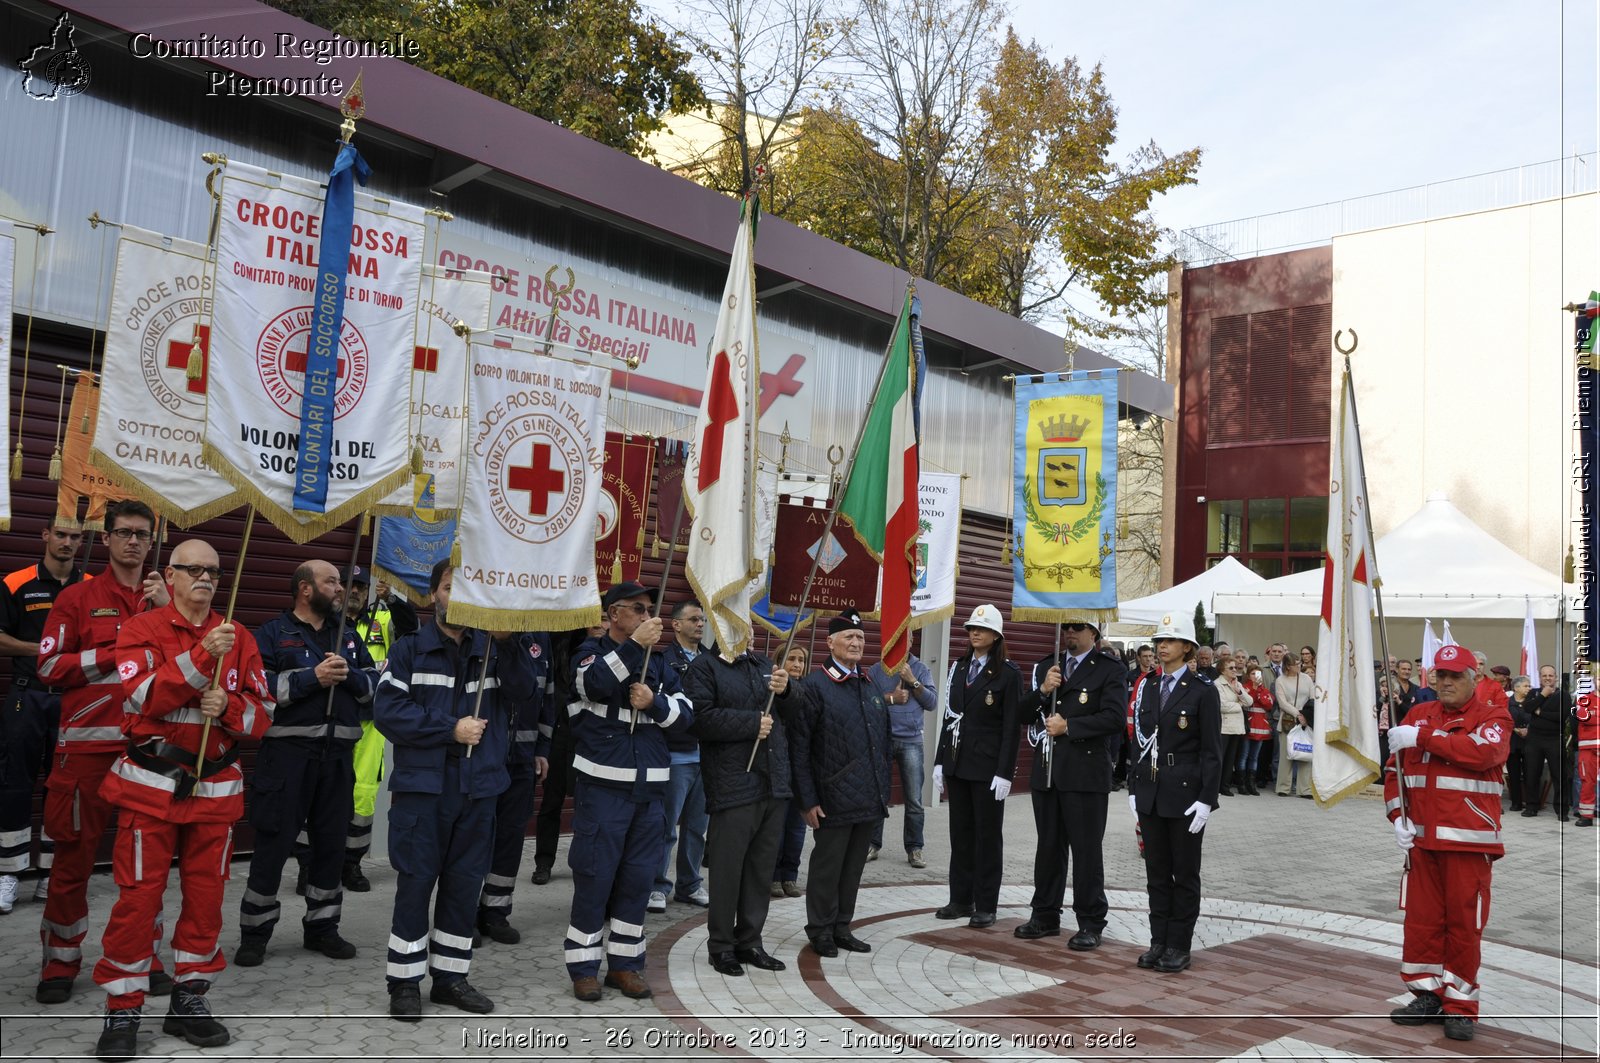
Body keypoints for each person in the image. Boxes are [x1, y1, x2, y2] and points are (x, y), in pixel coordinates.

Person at [91, 538, 274, 1059]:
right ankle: (123, 1008)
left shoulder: (240, 635)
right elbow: (143, 697)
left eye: (213, 571)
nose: (205, 578)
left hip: (216, 790)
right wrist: (200, 658)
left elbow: (265, 713)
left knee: (206, 900)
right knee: (137, 899)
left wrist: (231, 706)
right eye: (192, 569)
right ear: (168, 576)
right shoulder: (142, 629)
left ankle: (189, 998)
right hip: (152, 788)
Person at [373, 560, 533, 1021]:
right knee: (416, 886)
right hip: (424, 792)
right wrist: (450, 728)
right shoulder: (408, 650)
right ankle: (404, 983)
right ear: (432, 595)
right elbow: (389, 712)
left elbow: (525, 693)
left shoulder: (496, 649)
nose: (456, 595)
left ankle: (450, 978)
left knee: (464, 888)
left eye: (466, 587)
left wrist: (508, 641)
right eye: (449, 586)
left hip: (479, 789)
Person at [34, 501, 172, 1005]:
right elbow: (49, 668)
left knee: (145, 864)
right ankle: (60, 961)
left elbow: (193, 662)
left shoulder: (168, 600)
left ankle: (144, 956)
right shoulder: (77, 597)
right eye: (123, 533)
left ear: (152, 541)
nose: (133, 542)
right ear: (107, 537)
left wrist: (163, 615)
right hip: (86, 755)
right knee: (72, 860)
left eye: (142, 534)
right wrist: (120, 652)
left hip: (150, 752)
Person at [235, 560, 377, 969]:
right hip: (287, 759)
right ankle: (256, 934)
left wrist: (348, 676)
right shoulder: (271, 635)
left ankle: (323, 928)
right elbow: (259, 690)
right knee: (273, 845)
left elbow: (375, 690)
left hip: (337, 760)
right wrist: (312, 677)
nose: (340, 589)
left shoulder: (347, 637)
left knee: (331, 846)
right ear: (304, 589)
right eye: (331, 581)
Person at [563, 581, 694, 1002]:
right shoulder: (590, 653)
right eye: (638, 609)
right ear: (614, 613)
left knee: (638, 881)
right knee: (595, 878)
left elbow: (686, 716)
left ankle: (625, 965)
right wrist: (634, 647)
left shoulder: (660, 666)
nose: (646, 616)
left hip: (650, 790)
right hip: (603, 788)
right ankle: (584, 967)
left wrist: (655, 703)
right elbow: (593, 685)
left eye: (648, 609)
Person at [1385, 644, 1513, 1043]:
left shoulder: (1493, 715)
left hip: (1469, 844)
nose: (1446, 683)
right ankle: (1427, 994)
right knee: (1422, 923)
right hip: (1421, 842)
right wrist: (1396, 817)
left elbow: (1483, 752)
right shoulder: (1417, 714)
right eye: (1440, 675)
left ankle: (1460, 1004)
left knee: (1463, 927)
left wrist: (1422, 737)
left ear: (1473, 678)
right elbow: (1394, 771)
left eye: (1455, 676)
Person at [682, 637, 792, 976]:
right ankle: (721, 947)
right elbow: (699, 719)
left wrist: (788, 691)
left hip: (772, 782)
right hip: (733, 783)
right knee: (728, 872)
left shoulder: (762, 664)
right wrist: (749, 723)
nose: (745, 628)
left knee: (760, 871)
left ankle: (751, 942)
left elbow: (793, 714)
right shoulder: (705, 666)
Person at [1015, 614, 1126, 949]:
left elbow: (1115, 718)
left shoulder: (1110, 669)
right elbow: (1020, 714)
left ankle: (1091, 921)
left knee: (1086, 850)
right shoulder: (1049, 666)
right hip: (1048, 770)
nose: (1068, 633)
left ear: (1093, 632)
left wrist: (1071, 728)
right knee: (1048, 846)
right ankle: (1045, 914)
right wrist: (1042, 690)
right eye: (1064, 628)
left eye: (1075, 627)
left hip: (1085, 773)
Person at [790, 612, 890, 956]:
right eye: (848, 637)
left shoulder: (868, 683)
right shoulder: (815, 687)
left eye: (860, 638)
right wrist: (807, 799)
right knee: (827, 868)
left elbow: (881, 741)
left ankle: (841, 926)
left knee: (851, 870)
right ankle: (819, 929)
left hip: (866, 797)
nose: (856, 643)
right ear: (830, 642)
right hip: (831, 797)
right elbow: (800, 747)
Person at [0, 521, 88, 908]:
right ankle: (8, 873)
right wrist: (44, 650)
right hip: (28, 697)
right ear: (45, 535)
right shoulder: (17, 582)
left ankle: (52, 874)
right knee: (14, 783)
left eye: (75, 537)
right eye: (61, 535)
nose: (68, 543)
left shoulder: (92, 586)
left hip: (74, 700)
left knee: (64, 788)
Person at [1129, 612, 1221, 974]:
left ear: (1187, 648)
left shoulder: (1202, 692)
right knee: (1156, 872)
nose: (1161, 646)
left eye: (1168, 641)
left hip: (1185, 794)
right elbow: (1138, 741)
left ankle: (1179, 944)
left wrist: (1206, 799)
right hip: (1151, 788)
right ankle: (1158, 941)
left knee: (1183, 874)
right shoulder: (1149, 686)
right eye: (1158, 641)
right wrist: (1135, 788)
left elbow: (1212, 752)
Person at [932, 604, 1021, 929]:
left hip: (987, 768)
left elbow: (1011, 728)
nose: (974, 632)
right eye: (971, 628)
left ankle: (985, 903)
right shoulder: (958, 667)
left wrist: (1004, 772)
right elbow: (949, 716)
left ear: (996, 636)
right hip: (958, 763)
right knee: (961, 834)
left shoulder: (1008, 674)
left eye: (981, 629)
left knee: (987, 837)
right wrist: (940, 761)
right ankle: (960, 898)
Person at [341, 568, 416, 892]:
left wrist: (393, 599)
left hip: (370, 722)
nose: (355, 591)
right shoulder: (329, 623)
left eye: (360, 586)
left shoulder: (381, 617)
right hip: (336, 717)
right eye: (349, 586)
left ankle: (351, 864)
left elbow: (410, 628)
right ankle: (309, 864)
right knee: (322, 792)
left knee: (364, 794)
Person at [475, 632, 551, 944]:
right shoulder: (478, 631)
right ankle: (461, 911)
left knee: (510, 838)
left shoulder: (539, 638)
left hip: (522, 760)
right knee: (474, 837)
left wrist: (543, 747)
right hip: (482, 757)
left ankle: (495, 912)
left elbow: (548, 696)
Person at [529, 624, 602, 885]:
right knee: (551, 801)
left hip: (588, 735)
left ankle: (584, 860)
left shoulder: (603, 651)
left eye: (604, 617)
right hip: (560, 732)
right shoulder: (560, 644)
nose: (600, 624)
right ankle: (543, 863)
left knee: (587, 802)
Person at [653, 599, 710, 911]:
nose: (700, 624)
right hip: (677, 755)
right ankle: (657, 885)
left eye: (702, 620)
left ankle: (689, 885)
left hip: (707, 755)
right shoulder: (664, 660)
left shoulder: (712, 660)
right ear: (675, 625)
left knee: (696, 828)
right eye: (693, 619)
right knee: (666, 826)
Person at [866, 648, 935, 867]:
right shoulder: (877, 670)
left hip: (911, 741)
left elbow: (932, 703)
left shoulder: (921, 669)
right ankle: (872, 844)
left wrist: (913, 682)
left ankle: (915, 848)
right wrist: (891, 699)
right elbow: (865, 702)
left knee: (914, 799)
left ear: (911, 641)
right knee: (878, 795)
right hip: (882, 739)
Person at [771, 643, 811, 898]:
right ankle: (773, 876)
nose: (797, 664)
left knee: (796, 828)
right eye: (791, 659)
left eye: (801, 660)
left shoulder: (809, 691)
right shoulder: (773, 692)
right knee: (777, 827)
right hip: (779, 768)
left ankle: (790, 876)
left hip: (801, 771)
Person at [1521, 665, 1570, 820]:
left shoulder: (1563, 695)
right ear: (1540, 677)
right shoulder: (1533, 693)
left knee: (1559, 775)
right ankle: (1531, 806)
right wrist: (1542, 695)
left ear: (1556, 677)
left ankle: (1562, 811)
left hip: (1554, 739)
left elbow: (1561, 716)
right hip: (1534, 739)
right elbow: (1527, 708)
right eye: (1544, 675)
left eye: (1550, 675)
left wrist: (1540, 712)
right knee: (1532, 773)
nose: (1547, 678)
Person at [1273, 654, 1314, 798]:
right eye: (1296, 664)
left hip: (1306, 720)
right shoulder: (1280, 680)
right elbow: (1282, 702)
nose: (1299, 666)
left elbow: (1312, 697)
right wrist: (1298, 714)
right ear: (1288, 666)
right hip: (1288, 720)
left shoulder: (1306, 678)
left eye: (1300, 663)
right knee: (1286, 755)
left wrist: (1306, 715)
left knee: (1306, 752)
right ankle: (1283, 787)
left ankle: (1305, 789)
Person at [1215, 657, 1247, 798]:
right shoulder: (1217, 684)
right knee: (1220, 758)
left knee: (1231, 759)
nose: (1235, 670)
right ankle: (1214, 785)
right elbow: (1222, 706)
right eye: (1231, 668)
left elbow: (1249, 701)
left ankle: (1225, 786)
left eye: (1235, 667)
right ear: (1223, 670)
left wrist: (1239, 692)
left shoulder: (1237, 684)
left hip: (1236, 727)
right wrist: (1239, 705)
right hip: (1224, 726)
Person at [1505, 674, 1533, 811]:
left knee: (1530, 773)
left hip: (1529, 743)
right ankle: (1516, 802)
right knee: (1514, 774)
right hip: (1512, 743)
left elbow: (1537, 718)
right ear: (1516, 688)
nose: (1529, 688)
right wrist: (1515, 729)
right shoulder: (1506, 703)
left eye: (1529, 685)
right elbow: (1503, 720)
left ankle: (1531, 803)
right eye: (1526, 685)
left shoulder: (1532, 701)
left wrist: (1528, 729)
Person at [1574, 690, 1598, 827]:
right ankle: (1586, 816)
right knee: (1587, 782)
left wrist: (1595, 715)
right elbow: (1584, 717)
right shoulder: (1584, 699)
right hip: (1588, 747)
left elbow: (1593, 718)